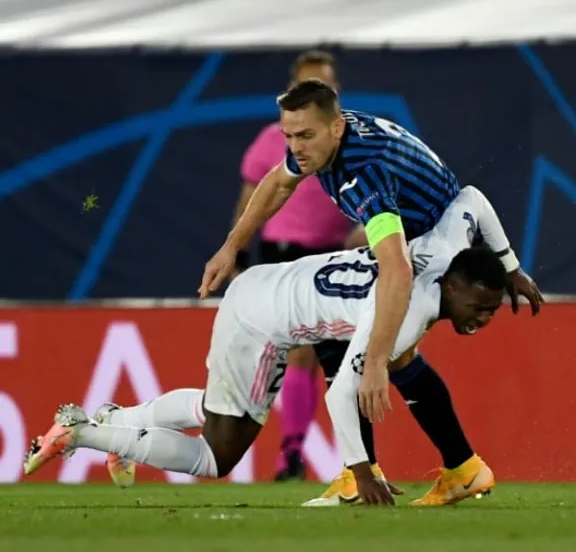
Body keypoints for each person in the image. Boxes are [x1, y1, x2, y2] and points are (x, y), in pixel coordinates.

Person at [24, 186, 530, 506]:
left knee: (217, 408)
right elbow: (341, 394)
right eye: (479, 307)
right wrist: (363, 473)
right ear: (452, 288)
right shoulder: (399, 316)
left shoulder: (446, 249)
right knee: (216, 457)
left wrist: (511, 268)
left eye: (492, 308)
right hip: (263, 324)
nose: (484, 318)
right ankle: (83, 433)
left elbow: (471, 199)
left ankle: (118, 418)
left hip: (265, 287)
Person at [198, 79, 544, 505]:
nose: (295, 146)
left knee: (361, 343)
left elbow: (396, 269)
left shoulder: (361, 175)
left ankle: (371, 472)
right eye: (289, 136)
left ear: (334, 127)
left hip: (418, 256)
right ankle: (460, 467)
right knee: (372, 345)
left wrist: (375, 362)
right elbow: (279, 183)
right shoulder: (329, 136)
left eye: (303, 135)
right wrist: (232, 247)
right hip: (432, 237)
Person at [231, 49, 365, 482]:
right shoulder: (272, 139)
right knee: (300, 351)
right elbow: (253, 196)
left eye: (322, 85)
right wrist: (236, 252)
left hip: (332, 254)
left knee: (318, 353)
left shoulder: (347, 139)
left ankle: (295, 450)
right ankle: (292, 449)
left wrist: (366, 231)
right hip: (282, 253)